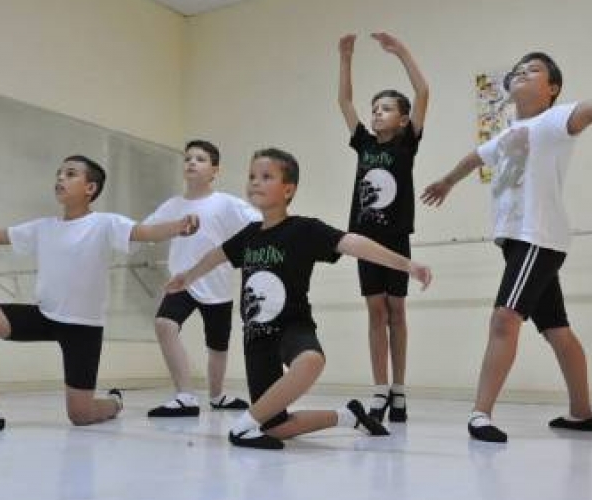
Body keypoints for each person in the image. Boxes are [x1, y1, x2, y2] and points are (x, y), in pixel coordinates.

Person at [421, 52, 592, 443]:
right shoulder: (508, 134)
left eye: (534, 69)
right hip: (518, 241)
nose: (523, 72)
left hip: (536, 237)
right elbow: (476, 157)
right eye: (519, 70)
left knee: (503, 319)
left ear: (552, 89)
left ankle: (480, 413)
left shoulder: (555, 121)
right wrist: (446, 181)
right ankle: (581, 413)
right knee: (557, 330)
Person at [0, 155, 199, 431]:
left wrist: (179, 227)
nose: (60, 178)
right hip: (44, 315)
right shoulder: (43, 227)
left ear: (90, 188)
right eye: (59, 173)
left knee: (80, 415)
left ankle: (114, 402)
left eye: (70, 174)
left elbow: (144, 233)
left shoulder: (105, 223)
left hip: (83, 328)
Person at [166, 148, 432, 450]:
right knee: (274, 428)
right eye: (252, 176)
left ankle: (242, 427)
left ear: (288, 189)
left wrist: (407, 265)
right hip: (256, 339)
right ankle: (347, 416)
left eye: (266, 177)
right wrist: (187, 277)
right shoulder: (248, 234)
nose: (255, 182)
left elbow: (354, 243)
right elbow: (215, 257)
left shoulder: (304, 229)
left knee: (311, 360)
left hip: (292, 325)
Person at [338, 32, 430, 423]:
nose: (376, 113)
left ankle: (400, 389)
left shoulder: (406, 144)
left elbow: (423, 90)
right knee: (375, 312)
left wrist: (401, 50)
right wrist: (346, 58)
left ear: (403, 118)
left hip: (394, 240)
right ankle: (379, 389)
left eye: (386, 108)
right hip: (363, 240)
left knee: (397, 312)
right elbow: (344, 101)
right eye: (375, 108)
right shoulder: (364, 143)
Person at [145, 140, 259, 417]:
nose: (192, 163)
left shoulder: (228, 204)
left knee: (217, 347)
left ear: (214, 170)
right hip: (181, 282)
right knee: (164, 324)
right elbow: (145, 231)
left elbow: (259, 226)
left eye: (200, 159)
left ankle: (217, 396)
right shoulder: (172, 205)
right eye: (188, 159)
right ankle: (185, 396)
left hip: (218, 285)